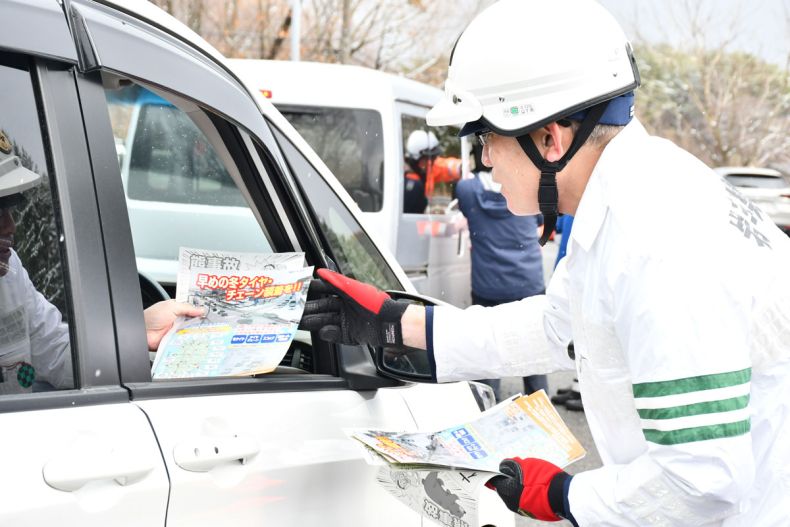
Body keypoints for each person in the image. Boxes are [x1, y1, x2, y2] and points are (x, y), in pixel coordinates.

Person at [299, 0, 790, 524]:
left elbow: (701, 481)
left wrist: (561, 496)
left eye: (486, 139)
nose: (484, 160)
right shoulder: (634, 197)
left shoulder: (660, 246)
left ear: (548, 139)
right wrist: (401, 324)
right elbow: (560, 324)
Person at [0, 147, 202, 394]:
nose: (11, 226)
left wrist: (138, 330)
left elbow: (57, 352)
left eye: (10, 209)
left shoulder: (10, 273)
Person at [456, 143, 547, 400]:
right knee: (534, 350)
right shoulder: (529, 185)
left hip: (488, 285)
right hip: (528, 282)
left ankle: (486, 406)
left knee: (488, 351)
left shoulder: (467, 189)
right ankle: (540, 408)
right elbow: (539, 221)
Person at [548, 215, 584, 411]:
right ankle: (577, 386)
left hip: (577, 278)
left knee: (583, 339)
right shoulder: (574, 211)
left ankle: (582, 391)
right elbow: (559, 226)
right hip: (567, 274)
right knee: (575, 338)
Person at [403, 130, 461, 213]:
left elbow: (445, 167)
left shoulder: (424, 168)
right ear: (420, 158)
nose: (434, 160)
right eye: (432, 157)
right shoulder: (412, 185)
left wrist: (461, 167)